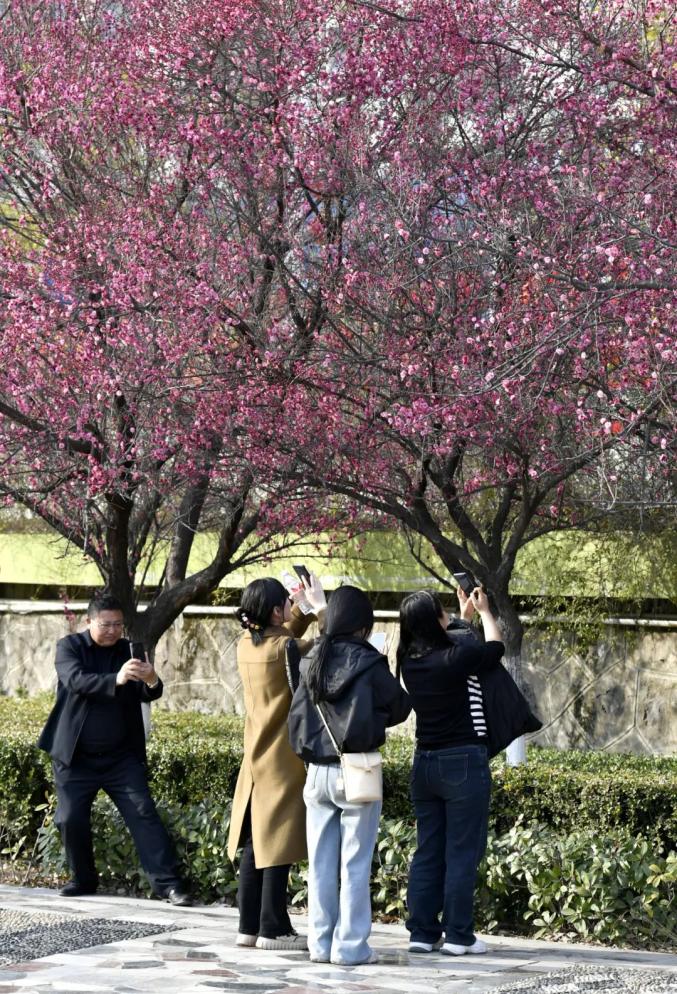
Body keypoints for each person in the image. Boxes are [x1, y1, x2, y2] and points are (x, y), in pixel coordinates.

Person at [37, 593, 191, 905]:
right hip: (75, 757)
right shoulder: (70, 647)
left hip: (120, 758)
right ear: (89, 622)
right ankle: (83, 879)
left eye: (118, 624)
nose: (112, 630)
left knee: (143, 813)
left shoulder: (128, 650)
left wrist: (151, 679)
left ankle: (169, 886)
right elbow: (76, 681)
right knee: (69, 818)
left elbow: (148, 692)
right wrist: (116, 679)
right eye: (105, 624)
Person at [288, 585, 411, 966]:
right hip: (357, 770)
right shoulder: (370, 662)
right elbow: (399, 708)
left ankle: (320, 944)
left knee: (320, 864)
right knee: (354, 863)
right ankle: (350, 947)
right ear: (363, 624)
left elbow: (297, 716)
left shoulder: (311, 658)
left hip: (316, 773)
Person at [396, 586, 504, 956]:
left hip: (425, 763)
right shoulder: (457, 656)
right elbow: (495, 647)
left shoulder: (408, 659)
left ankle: (422, 932)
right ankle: (458, 936)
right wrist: (484, 612)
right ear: (435, 620)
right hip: (462, 762)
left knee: (428, 850)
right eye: (442, 611)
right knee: (462, 851)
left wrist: (462, 617)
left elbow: (451, 640)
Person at [226, 574, 327, 951]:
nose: (290, 606)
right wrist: (320, 609)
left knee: (256, 843)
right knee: (278, 845)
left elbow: (282, 641)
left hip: (256, 753)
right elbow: (322, 644)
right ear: (273, 611)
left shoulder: (246, 644)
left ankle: (248, 925)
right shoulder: (285, 646)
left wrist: (299, 607)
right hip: (282, 757)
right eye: (285, 602)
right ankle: (274, 928)